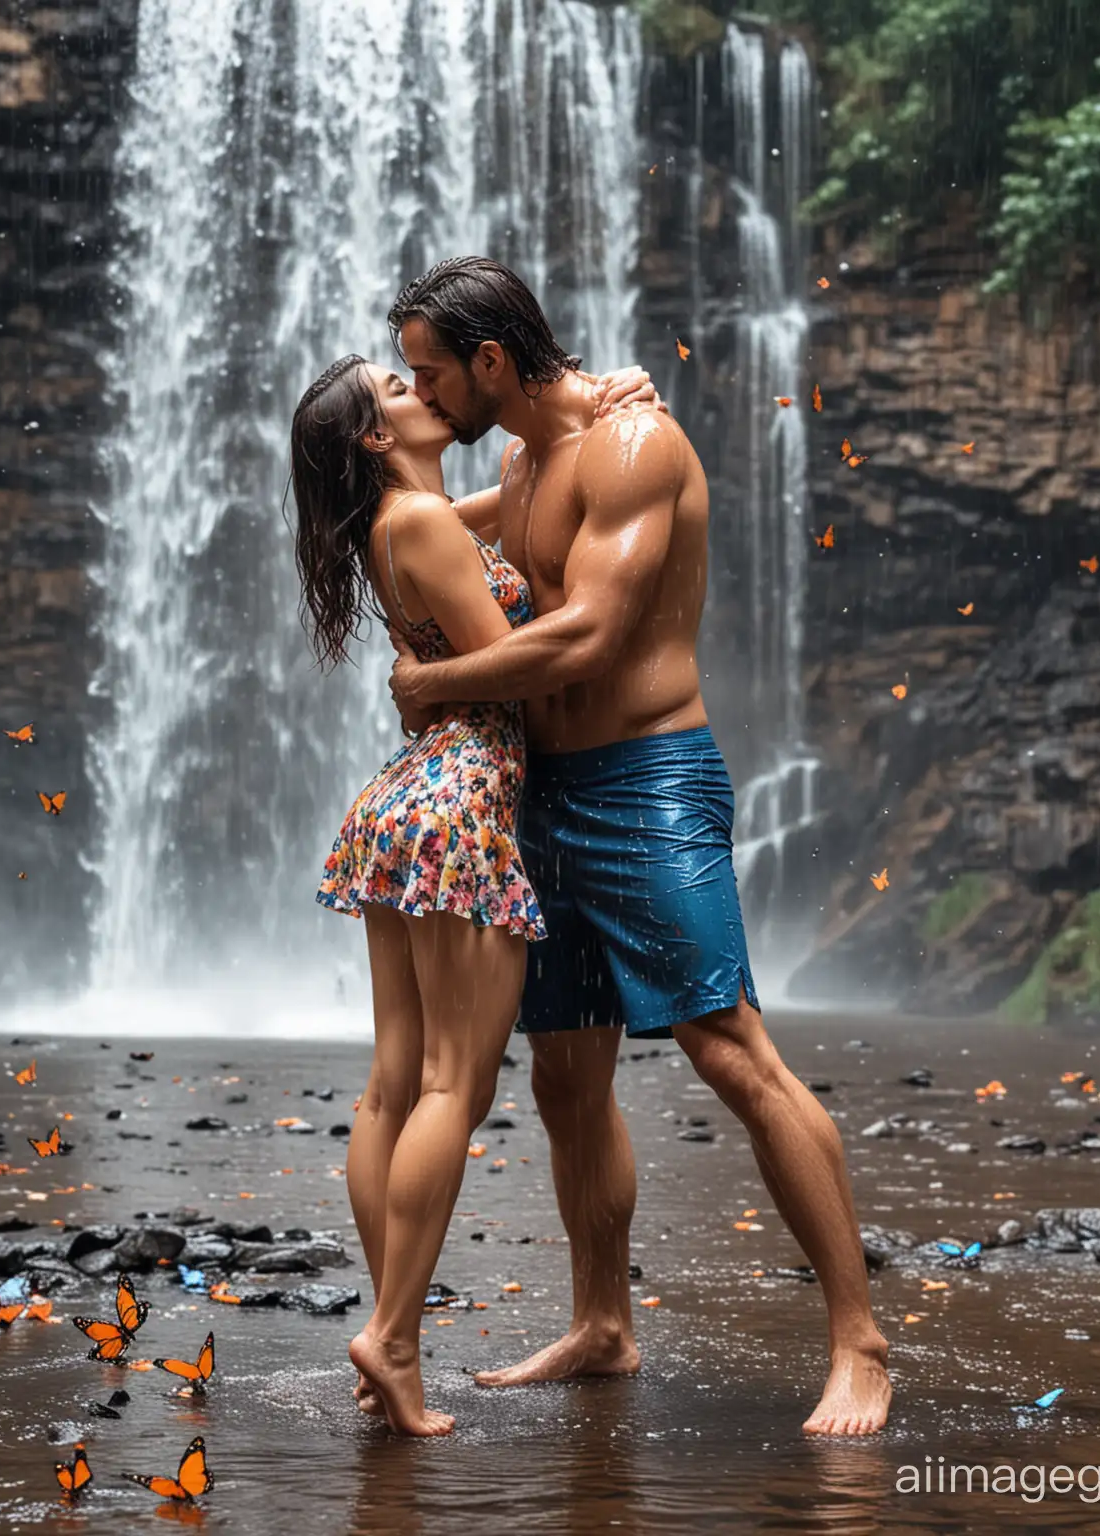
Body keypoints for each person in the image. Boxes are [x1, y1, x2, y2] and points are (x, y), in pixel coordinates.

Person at [386, 256, 893, 1437]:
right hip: (545, 791)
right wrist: (360, 469)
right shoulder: (517, 462)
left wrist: (437, 682)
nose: (423, 395)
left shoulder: (631, 449)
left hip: (649, 781)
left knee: (729, 1045)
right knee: (566, 1076)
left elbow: (587, 636)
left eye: (429, 374)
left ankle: (859, 1340)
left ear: (493, 362)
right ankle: (604, 1325)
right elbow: (415, 526)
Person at [288, 348, 661, 1436]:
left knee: (390, 1086)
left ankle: (386, 1317)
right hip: (462, 802)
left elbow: (529, 488)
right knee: (456, 1084)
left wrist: (599, 408)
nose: (427, 391)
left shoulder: (398, 524)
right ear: (373, 438)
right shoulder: (431, 528)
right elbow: (520, 664)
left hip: (400, 804)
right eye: (400, 390)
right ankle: (394, 1339)